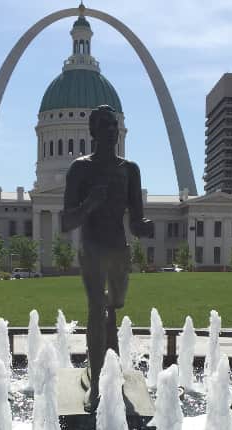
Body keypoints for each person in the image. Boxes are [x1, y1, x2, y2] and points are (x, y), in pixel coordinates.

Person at [61, 105, 154, 412]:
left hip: (118, 247)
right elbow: (66, 222)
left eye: (115, 125)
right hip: (92, 247)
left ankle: (108, 371)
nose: (112, 131)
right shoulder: (80, 169)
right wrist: (90, 204)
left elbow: (137, 219)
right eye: (105, 126)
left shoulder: (130, 170)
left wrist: (144, 228)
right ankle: (99, 384)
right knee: (96, 309)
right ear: (93, 132)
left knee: (114, 307)